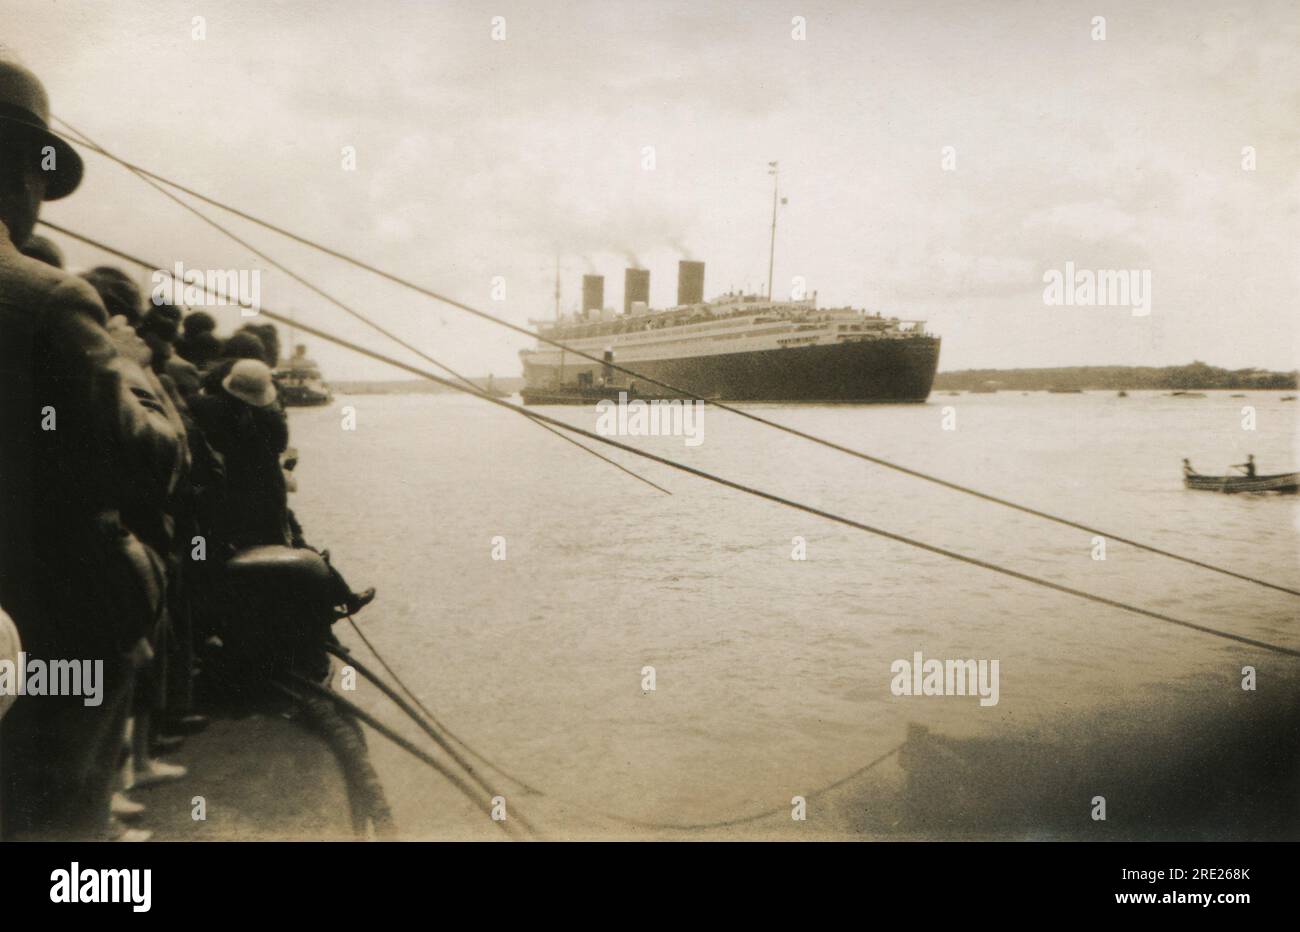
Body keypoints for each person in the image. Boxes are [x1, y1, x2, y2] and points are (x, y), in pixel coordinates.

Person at [0, 51, 183, 839]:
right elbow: (147, 461)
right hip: (54, 620)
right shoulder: (48, 299)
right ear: (23, 175)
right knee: (59, 823)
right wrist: (134, 369)